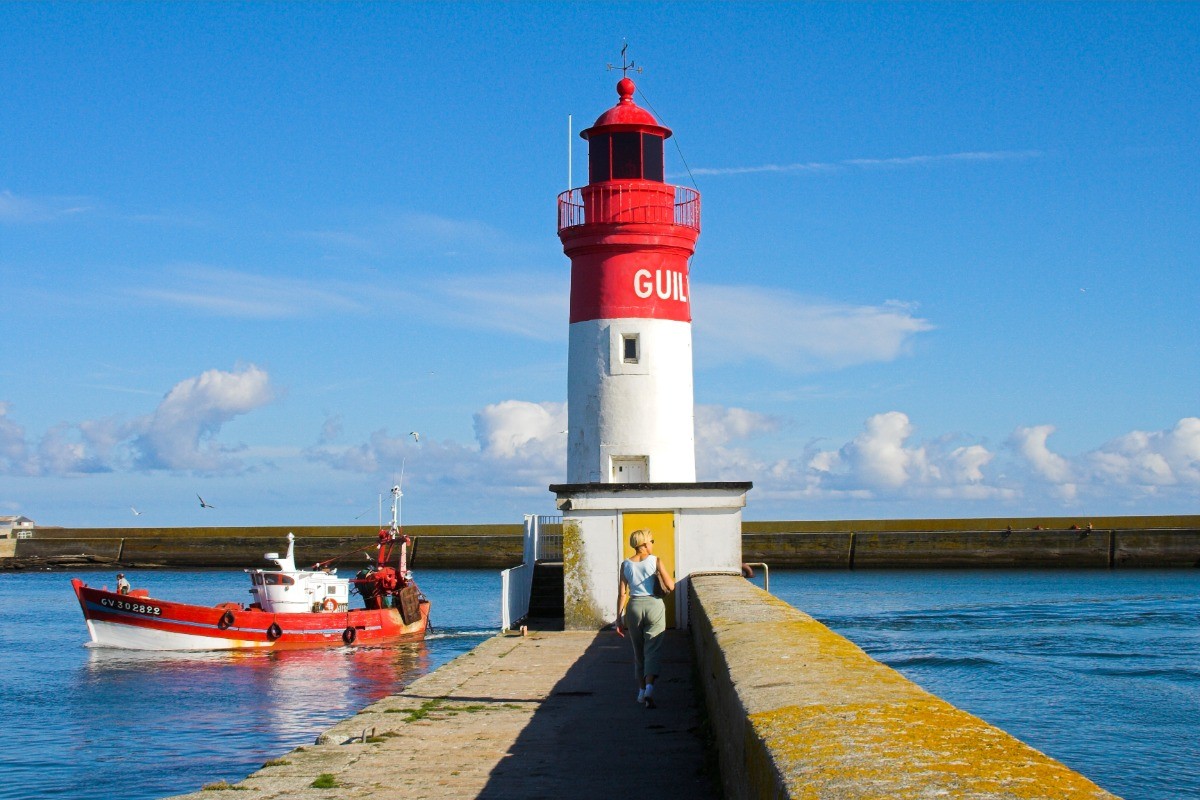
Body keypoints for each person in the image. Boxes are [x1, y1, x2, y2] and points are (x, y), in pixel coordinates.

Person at [615, 529, 675, 709]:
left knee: (638, 651)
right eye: (652, 541)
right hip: (654, 605)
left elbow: (622, 593)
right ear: (645, 544)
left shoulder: (625, 564)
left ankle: (640, 691)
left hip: (633, 607)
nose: (652, 544)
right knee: (652, 649)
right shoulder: (655, 561)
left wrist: (618, 619)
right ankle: (649, 688)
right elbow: (671, 586)